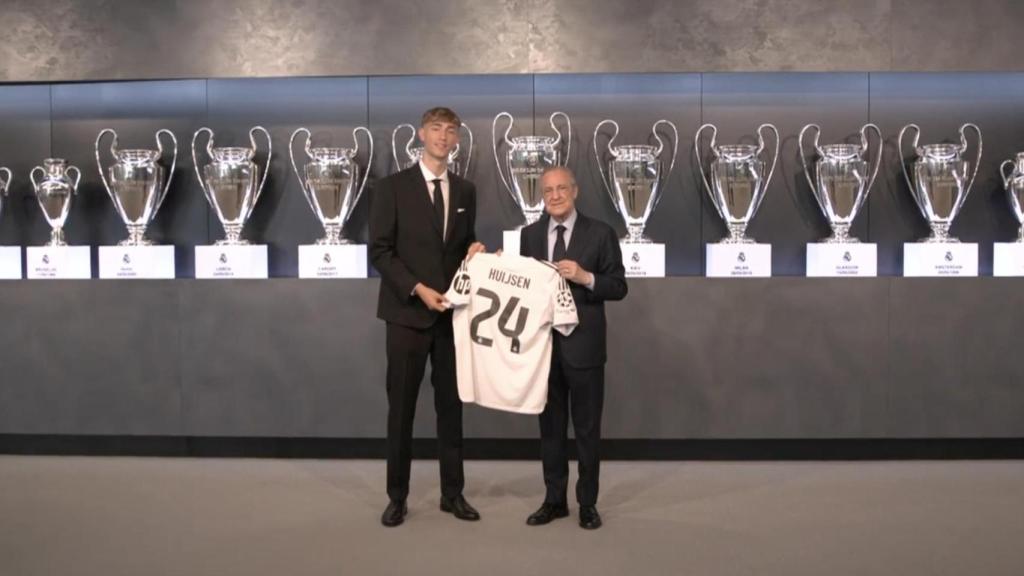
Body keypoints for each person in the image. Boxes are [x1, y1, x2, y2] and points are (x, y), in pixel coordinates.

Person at [369, 106, 485, 527]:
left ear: (457, 140)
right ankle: (396, 497)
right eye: (436, 128)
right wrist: (418, 289)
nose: (443, 136)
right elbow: (380, 251)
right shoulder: (392, 187)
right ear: (422, 134)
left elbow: (462, 243)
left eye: (451, 130)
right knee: (400, 409)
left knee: (451, 408)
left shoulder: (467, 191)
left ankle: (452, 494)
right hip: (406, 315)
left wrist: (475, 248)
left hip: (452, 317)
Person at [519, 165, 628, 530]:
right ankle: (554, 501)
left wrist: (586, 277)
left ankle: (587, 503)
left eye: (561, 188)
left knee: (586, 430)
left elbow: (618, 286)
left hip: (585, 350)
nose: (554, 195)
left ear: (575, 191)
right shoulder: (529, 235)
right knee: (549, 429)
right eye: (548, 190)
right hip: (543, 350)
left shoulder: (601, 233)